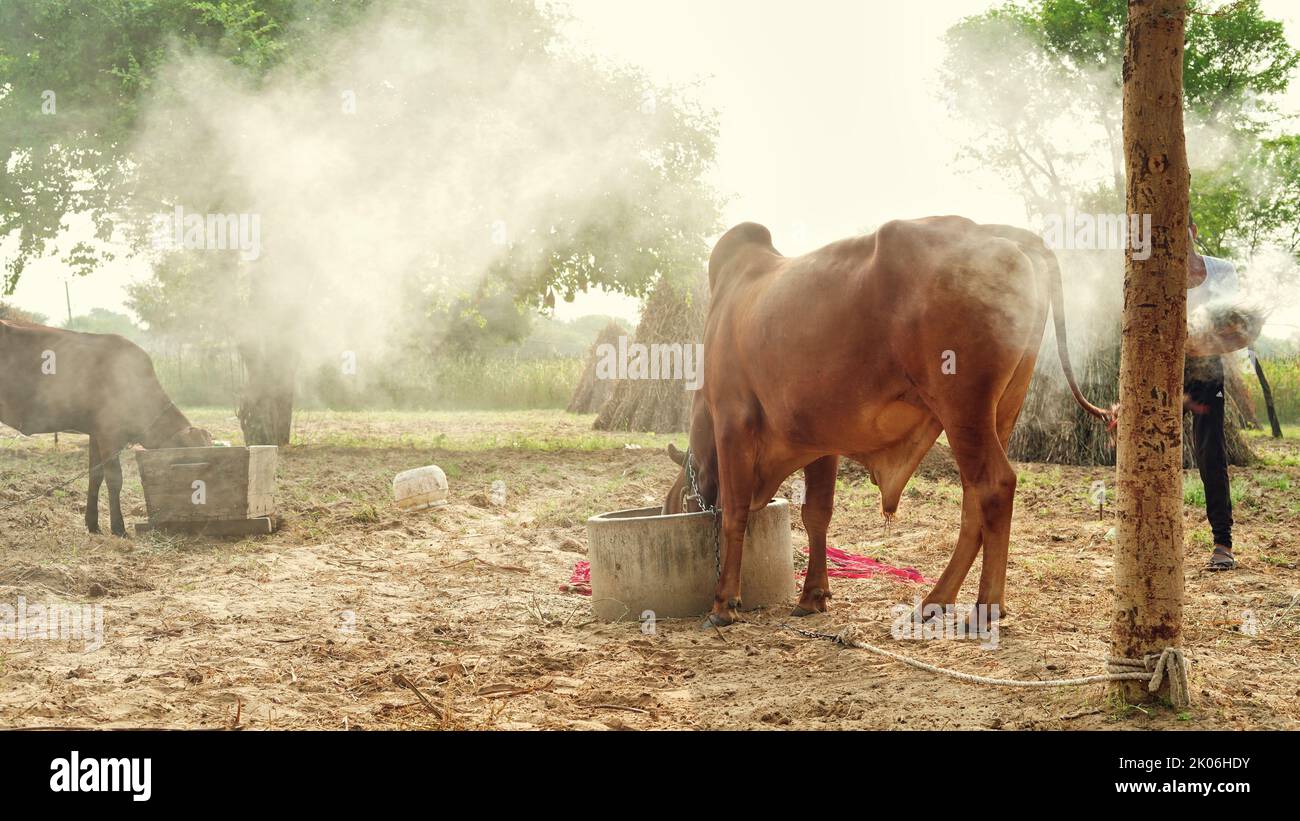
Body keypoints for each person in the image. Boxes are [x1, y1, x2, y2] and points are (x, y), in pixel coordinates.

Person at [1185, 217, 1243, 571]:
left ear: (1192, 231)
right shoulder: (1154, 278)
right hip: (1163, 369)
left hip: (1207, 373)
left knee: (1210, 453)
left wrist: (1204, 341)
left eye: (1181, 229)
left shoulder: (1222, 271)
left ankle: (1222, 542)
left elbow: (1236, 327)